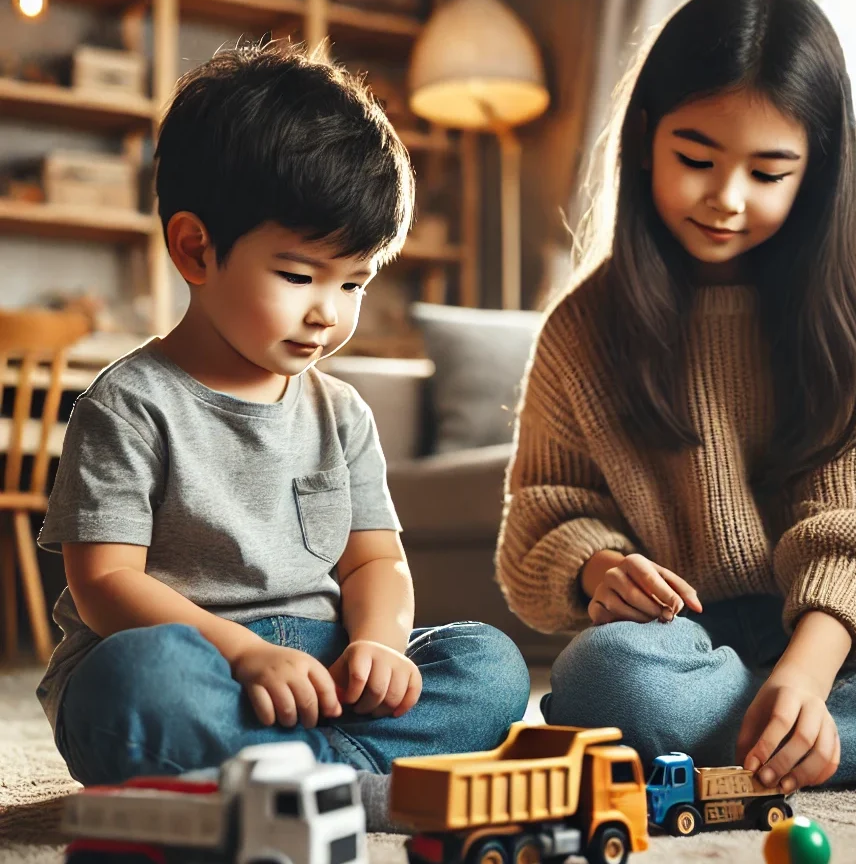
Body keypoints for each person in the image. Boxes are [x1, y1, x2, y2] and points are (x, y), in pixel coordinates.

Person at [496, 0, 856, 794]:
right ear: (644, 140)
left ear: (816, 173)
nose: (727, 198)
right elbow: (545, 510)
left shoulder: (844, 316)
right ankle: (791, 739)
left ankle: (761, 740)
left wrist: (808, 677)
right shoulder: (583, 327)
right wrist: (602, 568)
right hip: (682, 641)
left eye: (769, 171)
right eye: (696, 160)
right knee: (610, 677)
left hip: (840, 640)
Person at [37, 42, 529, 828]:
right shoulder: (127, 404)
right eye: (299, 276)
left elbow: (377, 559)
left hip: (326, 675)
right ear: (196, 249)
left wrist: (378, 643)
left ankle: (289, 783)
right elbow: (104, 584)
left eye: (355, 282)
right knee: (136, 689)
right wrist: (245, 653)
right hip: (194, 660)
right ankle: (359, 782)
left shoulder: (344, 412)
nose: (327, 312)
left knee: (489, 664)